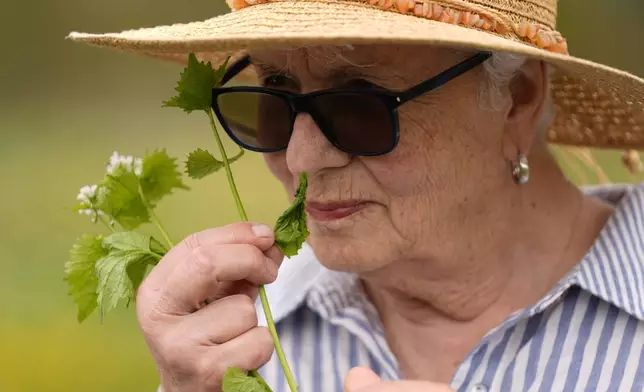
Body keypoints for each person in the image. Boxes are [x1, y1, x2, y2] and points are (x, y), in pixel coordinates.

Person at [67, 0, 644, 391]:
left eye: (359, 103)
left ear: (516, 98)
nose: (301, 158)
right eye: (276, 94)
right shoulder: (253, 335)